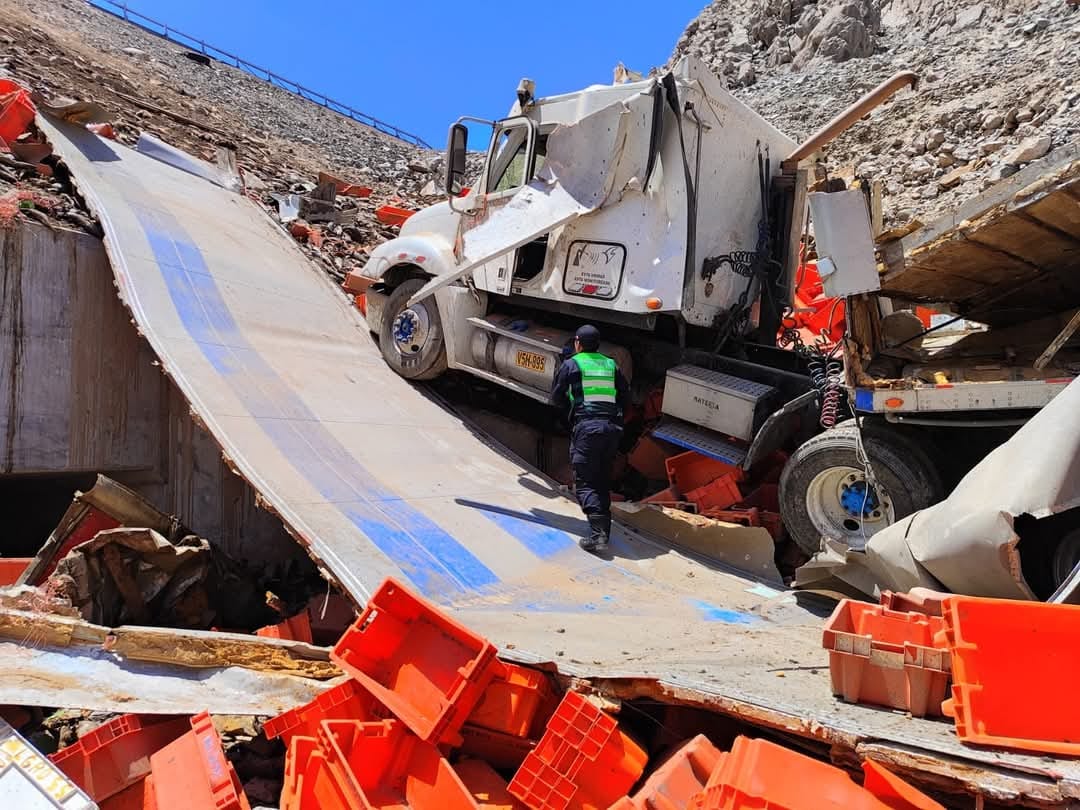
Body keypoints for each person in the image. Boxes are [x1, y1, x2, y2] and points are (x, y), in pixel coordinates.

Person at [550, 325, 630, 552]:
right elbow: (625, 397)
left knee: (585, 482)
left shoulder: (571, 364)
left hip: (587, 428)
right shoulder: (610, 364)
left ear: (577, 343)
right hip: (612, 429)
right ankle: (603, 529)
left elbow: (556, 398)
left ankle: (598, 536)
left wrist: (571, 412)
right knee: (601, 479)